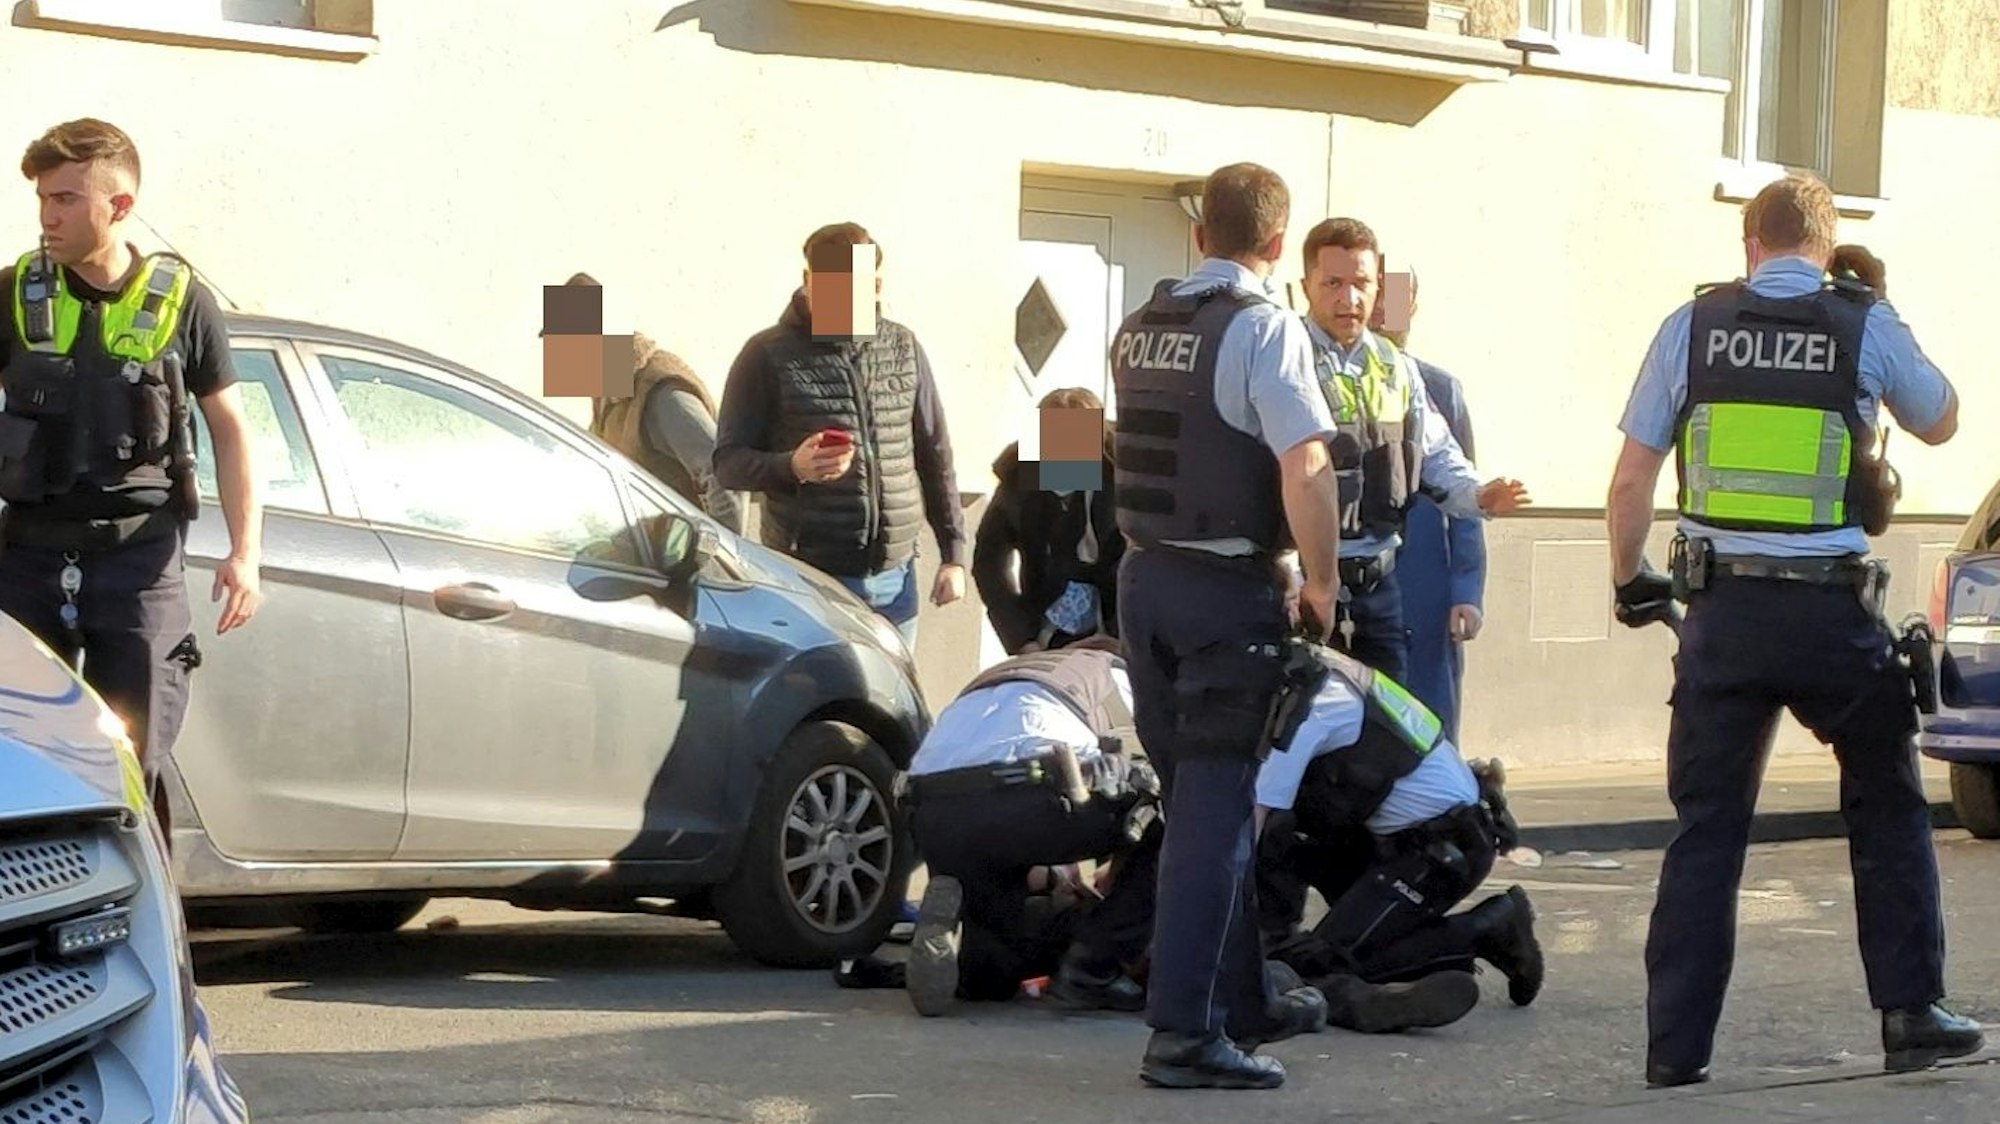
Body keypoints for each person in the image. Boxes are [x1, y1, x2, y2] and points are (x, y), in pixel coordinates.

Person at [1606, 170, 1977, 1089]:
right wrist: (1879, 310)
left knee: (1707, 828)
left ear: (1748, 243)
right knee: (1887, 800)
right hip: (1829, 618)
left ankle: (1674, 1052)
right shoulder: (1862, 323)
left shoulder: (1689, 327)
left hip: (1720, 616)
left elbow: (1629, 481)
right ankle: (1909, 1014)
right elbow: (1940, 419)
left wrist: (1630, 580)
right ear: (1826, 243)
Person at [1110, 162, 1345, 1092]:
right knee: (1214, 816)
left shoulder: (1139, 328)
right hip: (1224, 595)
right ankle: (1184, 1035)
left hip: (1144, 583)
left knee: (1202, 809)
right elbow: (1308, 462)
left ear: (1200, 235)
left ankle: (1242, 999)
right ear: (1279, 246)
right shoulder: (1263, 329)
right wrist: (1322, 579)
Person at [0, 118, 264, 829]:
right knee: (18, 769)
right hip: (27, 553)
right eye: (43, 200)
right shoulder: (13, 292)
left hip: (139, 564)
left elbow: (232, 430)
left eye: (64, 200)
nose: (47, 217)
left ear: (117, 206)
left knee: (131, 772)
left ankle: (139, 928)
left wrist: (246, 555)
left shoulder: (185, 302)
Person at [1251, 640, 1543, 1027]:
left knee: (1326, 958)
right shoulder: (1315, 668)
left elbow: (1251, 821)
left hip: (1442, 851)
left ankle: (1487, 930)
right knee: (1287, 840)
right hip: (1388, 841)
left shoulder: (1308, 706)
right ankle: (1286, 956)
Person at [713, 222, 967, 650]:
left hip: (895, 581)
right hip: (808, 578)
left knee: (892, 710)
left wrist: (954, 554)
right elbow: (727, 464)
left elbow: (934, 452)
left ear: (875, 286)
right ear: (808, 283)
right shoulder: (765, 355)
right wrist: (789, 466)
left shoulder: (903, 347)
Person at [1296, 218, 1526, 682]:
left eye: (1362, 285)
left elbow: (1441, 458)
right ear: (1307, 286)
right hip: (1305, 585)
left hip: (1384, 584)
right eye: (1333, 284)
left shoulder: (1401, 371)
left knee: (1399, 732)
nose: (1350, 300)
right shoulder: (1280, 354)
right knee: (1303, 734)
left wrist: (1480, 497)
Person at [889, 638, 1162, 1017]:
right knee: (1170, 815)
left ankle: (970, 964)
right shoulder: (1116, 675)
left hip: (931, 810)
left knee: (993, 979)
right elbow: (1145, 775)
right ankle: (1092, 973)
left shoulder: (1003, 675)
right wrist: (1118, 890)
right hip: (1032, 797)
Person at [1380, 268, 1486, 743]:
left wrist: (1467, 588)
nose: (1385, 315)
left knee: (1431, 715)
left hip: (1426, 580)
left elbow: (1468, 497)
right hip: (1360, 571)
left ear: (1412, 309)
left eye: (1396, 303)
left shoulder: (1439, 389)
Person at [572, 272, 744, 534]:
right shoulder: (606, 390)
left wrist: (719, 562)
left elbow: (724, 478)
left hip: (676, 559)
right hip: (639, 553)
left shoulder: (662, 396)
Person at [972, 386, 1124, 655]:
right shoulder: (1020, 476)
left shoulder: (1123, 472)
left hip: (1120, 628)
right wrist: (1021, 640)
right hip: (1045, 630)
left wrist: (1127, 639)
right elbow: (989, 563)